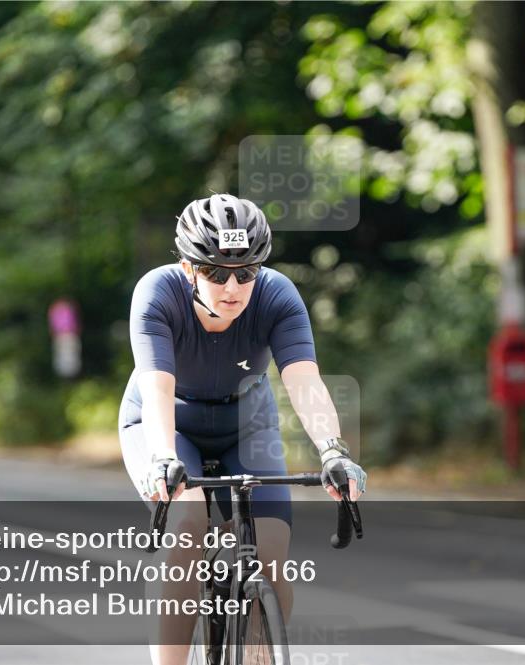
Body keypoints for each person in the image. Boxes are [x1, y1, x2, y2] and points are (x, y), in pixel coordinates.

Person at [119, 193, 367, 665]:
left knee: (269, 554)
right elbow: (156, 388)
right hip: (168, 422)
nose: (232, 286)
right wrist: (164, 458)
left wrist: (333, 451)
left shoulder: (276, 296)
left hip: (246, 423)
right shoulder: (157, 293)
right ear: (188, 269)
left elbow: (304, 381)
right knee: (189, 524)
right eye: (215, 273)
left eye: (246, 272)